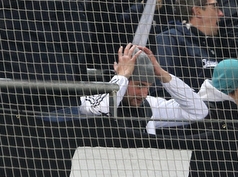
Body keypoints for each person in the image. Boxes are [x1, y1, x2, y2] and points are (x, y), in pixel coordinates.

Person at [79, 44, 208, 135]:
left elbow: (198, 111)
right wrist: (122, 77)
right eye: (139, 85)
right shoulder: (92, 97)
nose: (144, 93)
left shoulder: (149, 106)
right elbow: (102, 112)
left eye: (148, 86)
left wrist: (163, 74)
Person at [156, 0, 230, 86]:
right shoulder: (169, 40)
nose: (221, 13)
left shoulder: (213, 44)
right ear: (197, 11)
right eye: (215, 7)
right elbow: (162, 86)